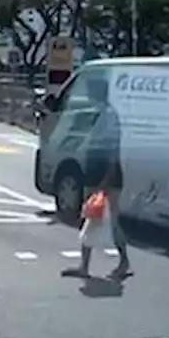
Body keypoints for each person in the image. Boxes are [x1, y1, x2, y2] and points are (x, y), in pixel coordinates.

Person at [62, 76, 132, 280]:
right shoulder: (94, 115)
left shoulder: (109, 116)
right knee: (89, 218)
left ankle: (124, 261)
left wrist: (105, 181)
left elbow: (113, 152)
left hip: (109, 176)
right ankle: (84, 265)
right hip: (91, 173)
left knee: (113, 222)